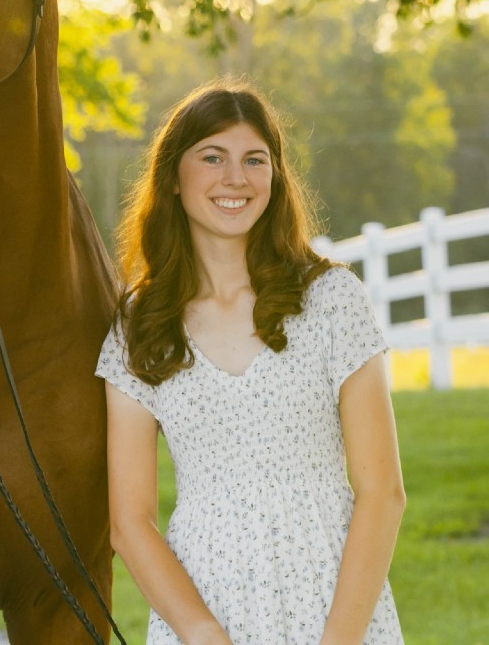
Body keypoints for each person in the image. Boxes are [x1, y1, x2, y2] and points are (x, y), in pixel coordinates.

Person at [96, 79, 405, 645]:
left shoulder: (331, 300)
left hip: (335, 604)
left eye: (254, 160)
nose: (234, 178)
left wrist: (340, 639)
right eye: (212, 157)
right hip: (206, 605)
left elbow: (382, 490)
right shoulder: (139, 326)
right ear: (172, 177)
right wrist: (203, 633)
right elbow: (130, 522)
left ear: (276, 177)